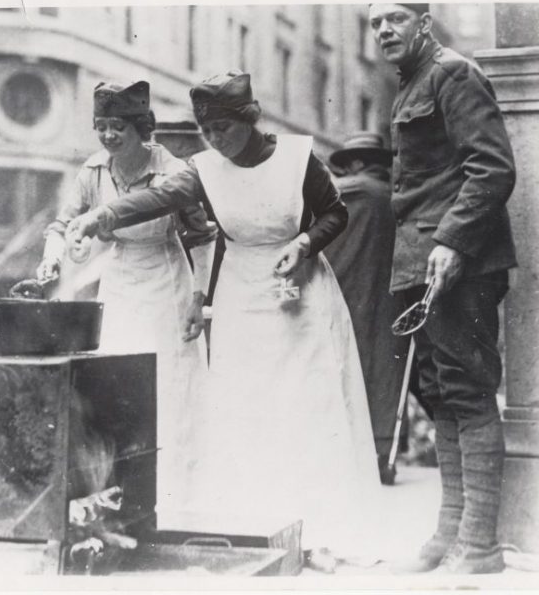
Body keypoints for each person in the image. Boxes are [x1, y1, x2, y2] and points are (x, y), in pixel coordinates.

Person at [65, 71, 383, 572]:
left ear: (249, 120)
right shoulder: (204, 167)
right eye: (206, 131)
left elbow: (335, 213)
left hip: (298, 293)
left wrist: (304, 243)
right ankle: (258, 526)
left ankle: (321, 530)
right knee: (242, 411)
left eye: (224, 129)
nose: (215, 140)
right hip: (240, 295)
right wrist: (100, 218)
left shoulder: (299, 160)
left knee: (305, 410)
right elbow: (160, 197)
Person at [368, 3, 517, 574]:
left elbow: (492, 168)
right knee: (442, 394)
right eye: (375, 21)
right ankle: (451, 534)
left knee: (467, 390)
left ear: (423, 23)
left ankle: (479, 547)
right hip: (421, 268)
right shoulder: (411, 83)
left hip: (460, 266)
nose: (383, 29)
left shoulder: (453, 72)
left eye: (396, 18)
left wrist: (454, 242)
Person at [37, 80, 217, 520]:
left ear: (141, 127)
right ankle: (124, 494)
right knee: (116, 382)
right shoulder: (93, 171)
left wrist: (198, 298)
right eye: (101, 126)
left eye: (117, 126)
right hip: (119, 282)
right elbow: (63, 223)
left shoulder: (171, 170)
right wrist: (53, 257)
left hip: (164, 280)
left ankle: (178, 496)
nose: (108, 136)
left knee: (167, 387)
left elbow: (202, 238)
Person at [324, 131, 410, 486]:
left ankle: (350, 451)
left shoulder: (351, 191)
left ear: (357, 163)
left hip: (348, 288)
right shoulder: (396, 195)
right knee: (386, 368)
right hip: (391, 295)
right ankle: (382, 451)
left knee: (348, 363)